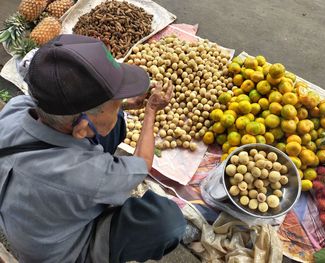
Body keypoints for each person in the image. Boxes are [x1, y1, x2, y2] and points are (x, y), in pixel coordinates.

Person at [0, 34, 186, 263]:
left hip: (30, 222)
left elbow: (81, 120)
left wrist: (122, 106)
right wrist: (151, 111)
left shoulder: (16, 109)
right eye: (116, 102)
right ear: (82, 128)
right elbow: (143, 164)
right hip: (63, 253)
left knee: (115, 124)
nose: (121, 105)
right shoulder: (90, 174)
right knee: (166, 222)